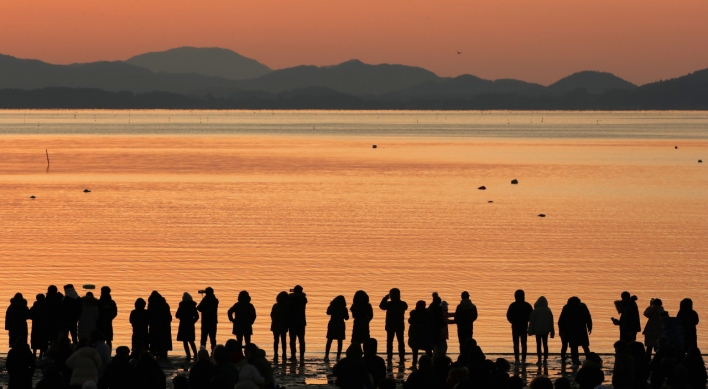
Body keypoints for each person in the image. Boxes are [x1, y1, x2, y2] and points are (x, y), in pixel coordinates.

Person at [558, 296, 592, 366]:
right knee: (584, 345)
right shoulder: (582, 306)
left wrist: (562, 330)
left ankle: (575, 360)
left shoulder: (567, 307)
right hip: (581, 329)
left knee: (574, 346)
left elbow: (561, 320)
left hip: (571, 329)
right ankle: (588, 358)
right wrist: (589, 326)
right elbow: (588, 317)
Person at [379, 288, 408, 361]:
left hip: (390, 325)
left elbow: (381, 306)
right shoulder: (403, 304)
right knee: (401, 341)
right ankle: (401, 356)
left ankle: (389, 357)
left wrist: (385, 298)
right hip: (399, 325)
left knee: (389, 342)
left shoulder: (389, 304)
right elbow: (405, 307)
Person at [506, 289, 533, 364]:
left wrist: (512, 321)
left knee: (516, 343)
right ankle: (523, 359)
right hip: (524, 326)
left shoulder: (513, 305)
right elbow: (531, 316)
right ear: (523, 296)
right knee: (524, 343)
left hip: (515, 326)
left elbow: (508, 316)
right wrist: (527, 321)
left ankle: (517, 359)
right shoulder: (527, 305)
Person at [528, 296, 555, 365]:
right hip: (546, 330)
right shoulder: (548, 310)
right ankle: (545, 359)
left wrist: (530, 330)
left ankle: (539, 359)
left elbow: (532, 321)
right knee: (545, 344)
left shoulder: (535, 311)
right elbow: (551, 321)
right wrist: (552, 331)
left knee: (538, 345)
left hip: (538, 331)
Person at [407, 300, 433, 369]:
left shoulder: (414, 314)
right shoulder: (428, 313)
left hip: (416, 335)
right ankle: (431, 363)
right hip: (425, 335)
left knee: (415, 351)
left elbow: (410, 321)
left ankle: (414, 364)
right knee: (428, 350)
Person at [147, 291, 173, 359]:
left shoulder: (151, 304)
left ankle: (155, 356)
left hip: (154, 327)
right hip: (164, 327)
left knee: (154, 343)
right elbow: (169, 317)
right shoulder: (165, 304)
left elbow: (149, 316)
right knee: (163, 344)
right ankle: (163, 355)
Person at [176, 292, 199, 360]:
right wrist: (193, 321)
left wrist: (182, 317)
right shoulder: (192, 306)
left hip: (183, 325)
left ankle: (188, 355)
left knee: (185, 341)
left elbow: (177, 315)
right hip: (190, 325)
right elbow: (197, 316)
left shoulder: (182, 306)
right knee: (191, 340)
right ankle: (195, 354)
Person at [325, 295, 349, 361]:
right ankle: (338, 356)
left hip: (332, 324)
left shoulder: (332, 307)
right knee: (340, 341)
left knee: (329, 340)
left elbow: (327, 313)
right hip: (340, 324)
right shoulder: (344, 308)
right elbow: (347, 318)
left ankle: (326, 355)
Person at [287, 285, 308, 361]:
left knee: (292, 340)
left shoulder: (291, 298)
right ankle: (302, 356)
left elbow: (288, 301)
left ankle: (293, 355)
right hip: (301, 321)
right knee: (301, 340)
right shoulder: (303, 298)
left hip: (292, 321)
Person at [197, 287, 219, 351]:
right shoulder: (215, 300)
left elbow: (199, 308)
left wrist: (204, 298)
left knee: (203, 339)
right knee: (213, 339)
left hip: (205, 322)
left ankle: (202, 352)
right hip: (213, 322)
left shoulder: (205, 300)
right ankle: (213, 352)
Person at [29, 293, 50, 358]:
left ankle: (34, 353)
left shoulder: (35, 306)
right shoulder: (47, 306)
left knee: (35, 339)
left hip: (36, 325)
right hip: (44, 325)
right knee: (43, 340)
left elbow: (30, 315)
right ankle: (41, 354)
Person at [270, 291, 289, 360]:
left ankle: (276, 354)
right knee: (283, 340)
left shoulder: (275, 305)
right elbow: (288, 316)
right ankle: (284, 354)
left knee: (276, 340)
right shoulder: (286, 306)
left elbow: (271, 315)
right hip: (283, 325)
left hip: (275, 325)